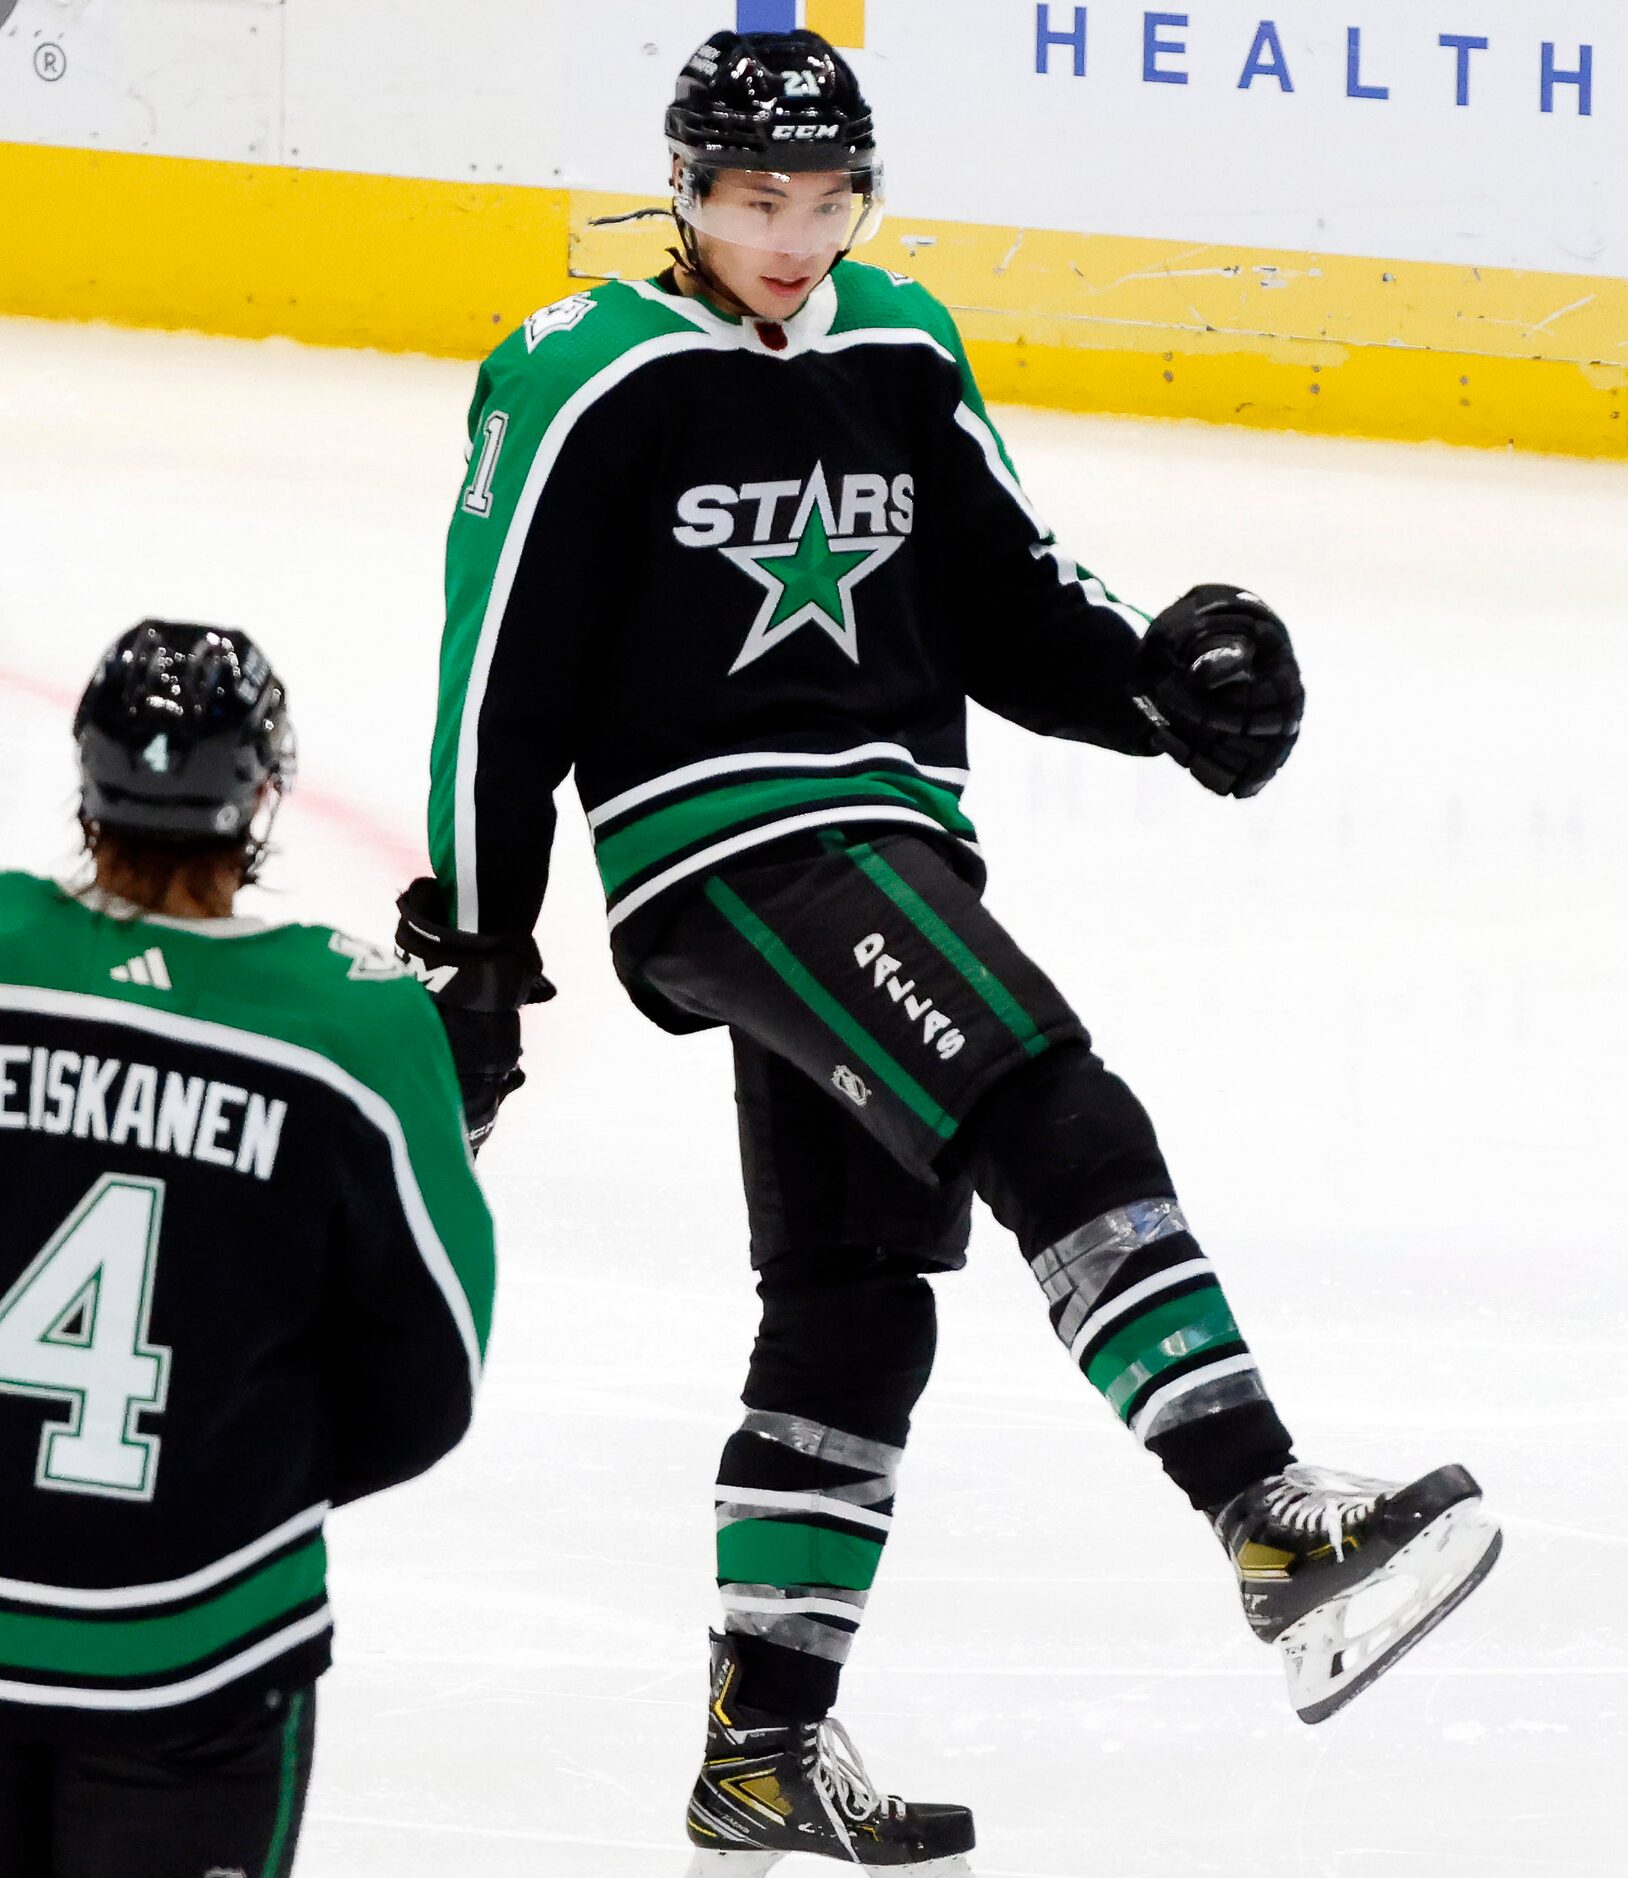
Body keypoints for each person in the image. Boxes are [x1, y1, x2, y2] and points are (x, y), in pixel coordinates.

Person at [394, 28, 1500, 1873]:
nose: (794, 236)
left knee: (853, 1288)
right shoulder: (582, 374)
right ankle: (1269, 1516)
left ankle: (763, 1740)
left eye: (827, 200)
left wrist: (1155, 680)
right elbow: (491, 675)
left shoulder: (895, 341)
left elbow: (1003, 591)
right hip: (730, 851)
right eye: (757, 200)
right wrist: (473, 942)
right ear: (683, 188)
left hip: (889, 846)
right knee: (1044, 1100)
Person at [0, 621, 495, 1878]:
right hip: (204, 1645)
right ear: (260, 796)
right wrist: (237, 1468)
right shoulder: (357, 1022)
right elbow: (429, 1382)